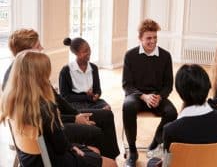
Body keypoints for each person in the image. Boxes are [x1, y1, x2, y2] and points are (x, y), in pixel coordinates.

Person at [2, 29, 120, 159]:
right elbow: (43, 119)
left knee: (106, 115)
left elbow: (57, 99)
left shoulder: (31, 70)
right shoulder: (18, 80)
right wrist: (74, 119)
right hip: (50, 132)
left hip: (55, 120)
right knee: (96, 132)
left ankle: (111, 159)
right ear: (27, 53)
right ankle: (106, 162)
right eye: (38, 46)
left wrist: (76, 114)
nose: (42, 48)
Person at [147, 64, 217, 167]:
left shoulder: (171, 129)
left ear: (180, 92)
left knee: (151, 162)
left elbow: (169, 163)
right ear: (207, 87)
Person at [122, 19, 178, 167]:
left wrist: (159, 96)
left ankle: (154, 144)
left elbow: (168, 85)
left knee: (172, 113)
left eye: (155, 38)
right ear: (140, 38)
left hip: (156, 96)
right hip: (137, 96)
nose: (152, 41)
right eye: (148, 38)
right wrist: (144, 96)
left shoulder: (165, 56)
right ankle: (132, 151)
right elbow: (127, 85)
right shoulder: (130, 55)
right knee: (127, 106)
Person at [59, 37, 110, 110]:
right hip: (75, 103)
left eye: (89, 49)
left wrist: (97, 95)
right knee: (94, 114)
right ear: (76, 53)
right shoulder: (66, 71)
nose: (88, 52)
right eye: (85, 51)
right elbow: (65, 96)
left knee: (107, 109)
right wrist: (86, 97)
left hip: (91, 101)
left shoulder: (94, 68)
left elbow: (97, 89)